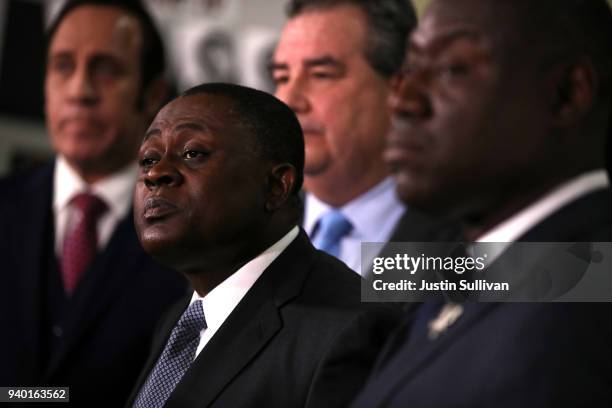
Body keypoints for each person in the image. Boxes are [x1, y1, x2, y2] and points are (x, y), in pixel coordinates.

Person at [353, 0, 612, 406]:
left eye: (453, 68)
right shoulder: (469, 272)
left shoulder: (586, 308)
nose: (403, 101)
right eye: (410, 68)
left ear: (567, 94)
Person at [126, 83, 400, 408]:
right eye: (148, 159)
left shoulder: (349, 330)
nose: (156, 173)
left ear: (275, 187)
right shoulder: (177, 320)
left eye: (192, 153)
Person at [0, 0, 187, 405]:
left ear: (153, 94)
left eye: (106, 69)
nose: (80, 91)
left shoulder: (196, 239)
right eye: (63, 65)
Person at [271, 0, 439, 275]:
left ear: (400, 90)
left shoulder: (476, 241)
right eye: (282, 77)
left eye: (321, 75)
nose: (288, 100)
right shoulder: (240, 238)